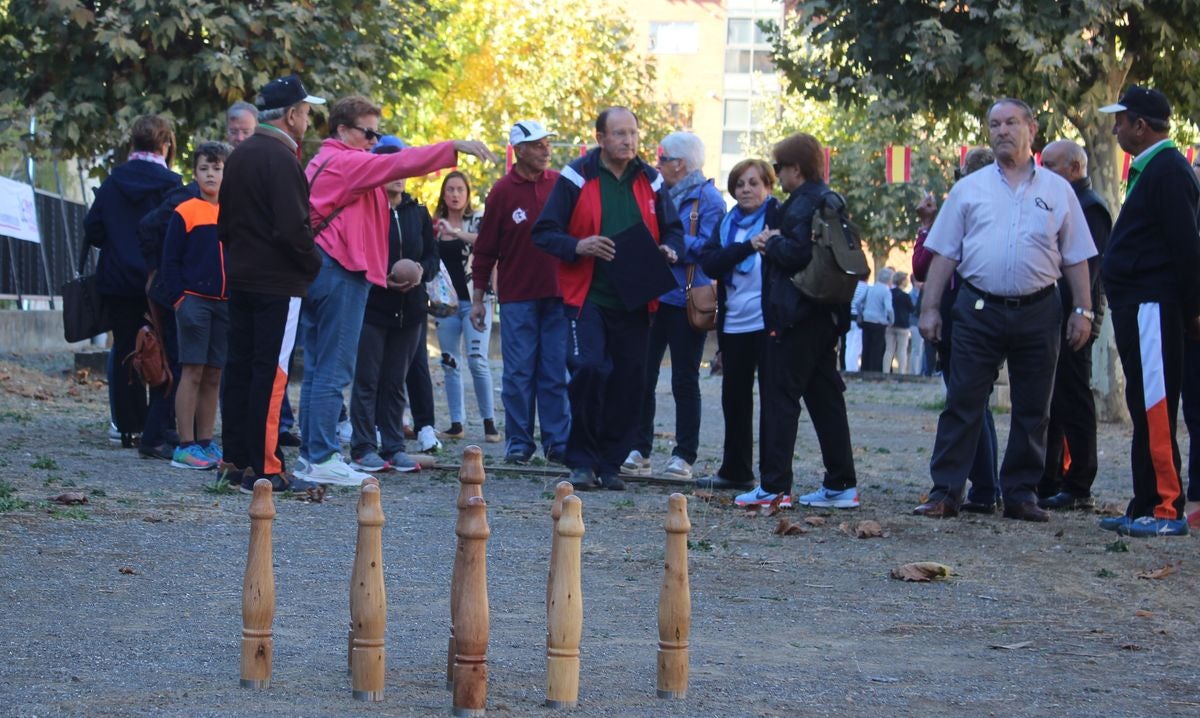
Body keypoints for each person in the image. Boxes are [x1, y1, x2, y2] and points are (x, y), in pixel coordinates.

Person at [294, 95, 496, 486]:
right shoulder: (345, 161)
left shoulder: (327, 160)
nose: (374, 140)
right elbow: (396, 163)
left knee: (321, 369)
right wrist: (451, 147)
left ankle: (311, 455)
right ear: (341, 130)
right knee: (334, 370)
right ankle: (319, 456)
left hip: (330, 270)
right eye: (368, 132)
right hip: (338, 273)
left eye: (377, 133)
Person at [915, 98, 1096, 522]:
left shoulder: (1058, 190)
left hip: (1039, 309)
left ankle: (1020, 493)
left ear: (1031, 128)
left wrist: (1083, 310)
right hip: (977, 308)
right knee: (963, 400)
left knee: (1034, 407)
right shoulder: (969, 189)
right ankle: (946, 492)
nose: (1002, 131)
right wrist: (930, 310)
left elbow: (1076, 257)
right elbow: (943, 254)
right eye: (994, 124)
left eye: (1011, 122)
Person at [533, 106, 684, 491]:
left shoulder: (650, 179)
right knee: (588, 370)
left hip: (636, 298)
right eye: (619, 133)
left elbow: (674, 231)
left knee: (629, 381)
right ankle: (581, 461)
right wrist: (579, 245)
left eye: (632, 133)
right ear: (600, 138)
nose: (628, 140)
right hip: (587, 298)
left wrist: (668, 249)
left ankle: (611, 464)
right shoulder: (575, 176)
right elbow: (545, 232)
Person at [726, 134, 859, 508]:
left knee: (780, 398)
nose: (778, 174)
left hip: (794, 315)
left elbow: (798, 253)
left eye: (780, 167)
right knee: (825, 399)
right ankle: (841, 484)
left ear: (795, 169)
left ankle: (773, 487)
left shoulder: (801, 204)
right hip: (825, 312)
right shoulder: (831, 198)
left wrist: (771, 242)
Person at [1097, 86, 1200, 537]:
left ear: (1140, 125)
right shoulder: (1150, 169)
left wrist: (1194, 311)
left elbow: (1186, 248)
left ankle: (1165, 508)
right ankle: (1143, 503)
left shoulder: (1170, 170)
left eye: (1120, 120)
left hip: (1155, 306)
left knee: (1156, 405)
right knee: (1143, 404)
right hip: (1138, 306)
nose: (1115, 128)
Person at [218, 75, 325, 495]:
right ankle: (266, 468)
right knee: (272, 373)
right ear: (292, 114)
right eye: (306, 111)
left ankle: (235, 461)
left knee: (241, 369)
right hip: (278, 283)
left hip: (242, 277)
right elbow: (293, 228)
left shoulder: (241, 155)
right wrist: (313, 264)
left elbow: (224, 222)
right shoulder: (282, 158)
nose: (308, 118)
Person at [621, 131, 724, 480]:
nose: (657, 163)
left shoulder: (709, 199)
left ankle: (684, 455)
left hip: (686, 298)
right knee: (642, 375)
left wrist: (671, 243)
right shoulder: (654, 193)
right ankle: (639, 447)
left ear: (680, 164)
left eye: (662, 158)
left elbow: (710, 250)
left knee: (684, 379)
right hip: (652, 295)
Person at [470, 120, 569, 464]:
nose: (546, 149)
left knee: (555, 370)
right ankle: (519, 442)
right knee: (518, 373)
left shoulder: (559, 184)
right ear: (520, 150)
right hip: (517, 298)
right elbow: (485, 250)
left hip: (558, 295)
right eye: (538, 144)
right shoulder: (501, 191)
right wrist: (478, 299)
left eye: (547, 144)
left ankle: (558, 442)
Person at [84, 115, 182, 448]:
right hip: (157, 280)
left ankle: (127, 425)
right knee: (163, 349)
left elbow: (93, 229)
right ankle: (158, 422)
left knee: (125, 349)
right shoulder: (173, 184)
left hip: (118, 280)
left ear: (133, 143)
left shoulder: (113, 182)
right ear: (165, 144)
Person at [912, 148, 1000, 512]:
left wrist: (928, 226)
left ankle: (976, 487)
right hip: (979, 312)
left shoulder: (966, 207)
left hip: (963, 314)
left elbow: (922, 264)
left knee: (967, 401)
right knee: (974, 401)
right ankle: (985, 486)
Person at [347, 136, 439, 473]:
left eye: (402, 164)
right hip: (373, 306)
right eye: (390, 164)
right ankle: (362, 447)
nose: (398, 173)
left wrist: (419, 271)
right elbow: (355, 250)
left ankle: (394, 446)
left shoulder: (417, 212)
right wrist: (380, 277)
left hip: (411, 309)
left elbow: (431, 255)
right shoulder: (365, 209)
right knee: (367, 379)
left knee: (395, 381)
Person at [694, 159, 779, 493]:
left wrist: (767, 243)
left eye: (754, 183)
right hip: (734, 323)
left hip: (768, 321)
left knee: (773, 399)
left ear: (768, 187)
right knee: (735, 398)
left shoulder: (778, 217)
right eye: (740, 183)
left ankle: (773, 476)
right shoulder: (728, 223)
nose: (746, 189)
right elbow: (711, 261)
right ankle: (736, 470)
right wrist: (748, 245)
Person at [1036, 139, 1112, 511]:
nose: (1042, 171)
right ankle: (1049, 478)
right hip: (1053, 314)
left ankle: (1079, 482)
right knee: (1053, 400)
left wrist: (1078, 314)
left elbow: (1086, 269)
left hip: (1074, 317)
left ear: (1075, 168)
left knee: (1074, 399)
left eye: (1050, 165)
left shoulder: (1090, 208)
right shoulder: (1064, 203)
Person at [160, 141, 232, 471]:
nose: (211, 174)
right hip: (195, 301)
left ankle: (206, 441)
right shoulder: (185, 211)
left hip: (226, 303)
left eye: (217, 168)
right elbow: (169, 262)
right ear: (194, 173)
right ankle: (185, 444)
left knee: (214, 373)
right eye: (204, 168)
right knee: (192, 370)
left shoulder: (234, 211)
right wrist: (180, 299)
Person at [433, 171, 499, 444]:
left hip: (477, 301)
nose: (456, 194)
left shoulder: (479, 221)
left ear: (468, 193)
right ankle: (456, 423)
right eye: (450, 189)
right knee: (449, 362)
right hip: (445, 305)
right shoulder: (435, 226)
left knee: (477, 361)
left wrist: (457, 233)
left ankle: (489, 423)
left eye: (460, 189)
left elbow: (488, 245)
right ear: (444, 194)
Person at [854, 267, 894, 372]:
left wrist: (861, 313)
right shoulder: (886, 291)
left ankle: (864, 368)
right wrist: (891, 320)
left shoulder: (870, 288)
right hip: (879, 322)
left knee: (866, 346)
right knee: (877, 348)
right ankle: (874, 369)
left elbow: (858, 302)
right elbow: (889, 308)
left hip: (867, 320)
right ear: (889, 279)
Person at [883, 271, 913, 373]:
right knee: (902, 350)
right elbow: (911, 309)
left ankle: (886, 371)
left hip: (890, 325)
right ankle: (901, 372)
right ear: (902, 281)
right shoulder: (905, 296)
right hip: (903, 325)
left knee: (889, 349)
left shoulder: (889, 293)